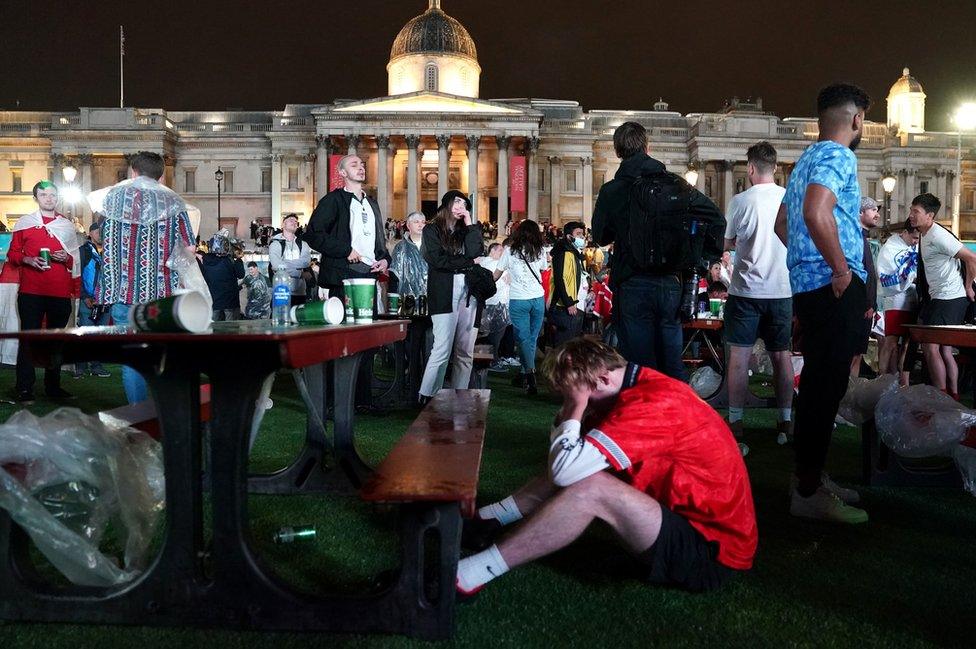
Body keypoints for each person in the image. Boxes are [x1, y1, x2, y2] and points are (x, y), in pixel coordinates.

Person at [456, 338, 757, 596]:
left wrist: (575, 406)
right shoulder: (627, 388)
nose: (576, 404)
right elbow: (563, 464)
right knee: (581, 464)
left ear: (600, 379)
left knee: (589, 487)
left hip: (709, 553)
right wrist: (487, 516)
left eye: (575, 393)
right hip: (677, 520)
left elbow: (564, 470)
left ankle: (470, 576)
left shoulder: (656, 402)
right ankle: (489, 520)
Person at [774, 83, 871, 523]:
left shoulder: (804, 162)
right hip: (834, 286)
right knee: (824, 387)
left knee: (818, 384)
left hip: (810, 286)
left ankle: (810, 478)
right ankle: (809, 492)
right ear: (856, 119)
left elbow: (783, 224)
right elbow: (816, 212)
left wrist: (808, 265)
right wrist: (839, 269)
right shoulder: (838, 155)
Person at [592, 121, 724, 380]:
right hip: (670, 282)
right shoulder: (675, 184)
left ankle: (647, 417)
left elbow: (600, 236)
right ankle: (678, 418)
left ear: (618, 151)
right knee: (672, 363)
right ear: (647, 147)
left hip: (631, 283)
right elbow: (716, 218)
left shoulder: (612, 191)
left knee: (639, 366)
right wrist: (702, 258)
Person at [97, 151, 196, 404]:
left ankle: (139, 411)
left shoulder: (113, 198)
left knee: (133, 357)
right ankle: (166, 408)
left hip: (123, 291)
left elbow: (99, 236)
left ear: (133, 172)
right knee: (161, 352)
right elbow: (189, 248)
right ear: (161, 175)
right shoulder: (173, 202)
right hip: (161, 292)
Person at [722, 141, 793, 443]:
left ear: (750, 168)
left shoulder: (740, 201)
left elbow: (726, 243)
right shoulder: (790, 198)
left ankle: (737, 421)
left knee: (739, 357)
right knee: (782, 358)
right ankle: (786, 421)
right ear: (776, 168)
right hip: (782, 290)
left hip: (746, 290)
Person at [7, 181, 81, 404]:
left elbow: (74, 260)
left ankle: (53, 386)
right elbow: (12, 255)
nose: (49, 198)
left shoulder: (66, 225)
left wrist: (64, 257)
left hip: (59, 292)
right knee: (28, 339)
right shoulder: (24, 224)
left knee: (56, 341)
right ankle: (24, 388)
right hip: (31, 292)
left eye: (52, 195)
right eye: (43, 194)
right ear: (36, 198)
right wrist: (27, 259)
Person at [417, 191, 483, 405]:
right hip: (444, 292)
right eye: (456, 201)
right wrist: (466, 262)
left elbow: (475, 251)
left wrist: (470, 222)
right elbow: (437, 260)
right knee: (442, 347)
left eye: (464, 203)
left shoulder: (468, 231)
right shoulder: (431, 230)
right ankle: (427, 394)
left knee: (465, 351)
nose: (460, 206)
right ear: (446, 204)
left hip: (470, 294)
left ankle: (459, 395)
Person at [910, 193, 976, 397]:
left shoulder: (939, 235)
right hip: (938, 297)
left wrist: (968, 287)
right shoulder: (924, 233)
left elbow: (971, 258)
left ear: (929, 216)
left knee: (930, 347)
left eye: (916, 212)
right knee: (944, 350)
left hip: (950, 298)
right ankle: (952, 394)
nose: (911, 215)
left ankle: (941, 395)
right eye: (911, 210)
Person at [303, 155, 390, 301]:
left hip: (370, 273)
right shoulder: (332, 200)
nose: (361, 168)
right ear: (343, 172)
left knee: (370, 322)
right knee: (346, 322)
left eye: (362, 164)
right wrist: (346, 250)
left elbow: (377, 238)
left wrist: (386, 259)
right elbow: (313, 234)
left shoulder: (372, 204)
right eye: (354, 165)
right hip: (343, 273)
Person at [495, 219, 549, 395]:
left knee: (523, 339)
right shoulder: (540, 251)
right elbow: (543, 270)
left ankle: (529, 373)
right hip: (537, 298)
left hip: (518, 299)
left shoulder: (509, 251)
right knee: (531, 338)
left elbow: (497, 274)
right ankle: (525, 372)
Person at [877, 220, 919, 385]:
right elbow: (887, 273)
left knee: (907, 343)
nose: (916, 241)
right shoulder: (890, 247)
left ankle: (903, 381)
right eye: (914, 237)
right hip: (895, 299)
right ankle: (881, 379)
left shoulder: (913, 248)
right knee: (891, 341)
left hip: (912, 298)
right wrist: (908, 275)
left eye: (918, 238)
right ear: (905, 232)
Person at [74, 220, 111, 378]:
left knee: (99, 336)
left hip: (105, 300)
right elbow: (78, 275)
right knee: (85, 334)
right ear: (90, 234)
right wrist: (84, 296)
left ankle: (96, 366)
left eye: (103, 232)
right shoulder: (84, 251)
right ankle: (80, 367)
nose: (100, 234)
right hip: (88, 300)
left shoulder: (110, 252)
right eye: (97, 232)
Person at [850, 197, 881, 377]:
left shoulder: (863, 238)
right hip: (859, 307)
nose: (877, 214)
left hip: (864, 307)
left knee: (856, 355)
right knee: (852, 354)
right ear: (861, 213)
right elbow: (858, 273)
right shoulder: (855, 238)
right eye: (873, 210)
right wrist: (866, 303)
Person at [549, 221, 588, 346]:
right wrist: (568, 302)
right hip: (567, 305)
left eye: (582, 234)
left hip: (578, 304)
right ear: (569, 236)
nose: (582, 237)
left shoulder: (575, 253)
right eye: (578, 234)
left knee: (573, 342)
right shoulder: (564, 253)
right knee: (565, 343)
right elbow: (560, 279)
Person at [479, 242, 512, 370]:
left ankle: (490, 360)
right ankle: (492, 361)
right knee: (495, 336)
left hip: (491, 304)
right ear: (492, 251)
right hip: (496, 305)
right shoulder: (493, 264)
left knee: (490, 336)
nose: (502, 254)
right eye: (500, 251)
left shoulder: (484, 263)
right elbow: (507, 279)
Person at [268, 213, 312, 306]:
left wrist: (284, 263)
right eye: (291, 220)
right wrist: (300, 274)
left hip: (300, 293)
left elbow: (306, 262)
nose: (295, 223)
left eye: (296, 221)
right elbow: (276, 266)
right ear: (283, 224)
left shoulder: (303, 244)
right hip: (281, 292)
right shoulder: (275, 244)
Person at [200, 231, 245, 321]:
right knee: (231, 329)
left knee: (212, 327)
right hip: (230, 302)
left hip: (214, 301)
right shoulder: (229, 261)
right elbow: (241, 274)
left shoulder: (205, 260)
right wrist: (239, 260)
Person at [390, 211, 428, 300]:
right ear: (408, 225)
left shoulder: (432, 246)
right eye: (416, 222)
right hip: (407, 299)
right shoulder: (400, 247)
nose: (420, 225)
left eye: (423, 222)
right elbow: (395, 274)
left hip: (430, 299)